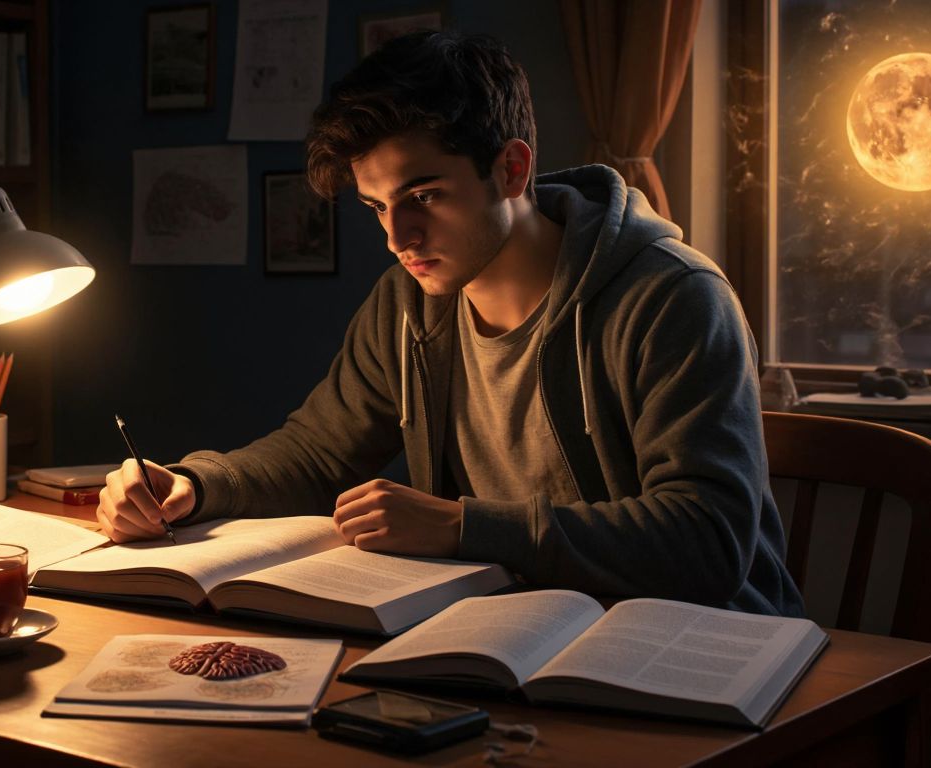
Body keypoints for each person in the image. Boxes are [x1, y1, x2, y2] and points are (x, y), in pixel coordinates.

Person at [97, 31, 804, 617]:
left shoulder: (672, 299)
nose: (397, 237)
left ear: (512, 169)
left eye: (424, 195)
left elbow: (707, 545)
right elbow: (317, 454)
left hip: (701, 648)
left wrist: (462, 526)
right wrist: (193, 486)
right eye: (376, 206)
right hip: (518, 628)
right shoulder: (407, 302)